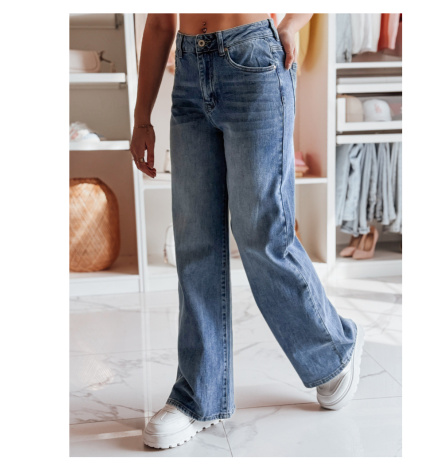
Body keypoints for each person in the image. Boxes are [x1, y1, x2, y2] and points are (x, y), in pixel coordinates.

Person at [131, 13, 364, 450]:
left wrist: (291, 25)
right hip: (188, 69)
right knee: (194, 240)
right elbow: (161, 21)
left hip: (252, 60)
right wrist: (142, 116)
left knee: (263, 234)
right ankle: (198, 396)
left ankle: (333, 348)